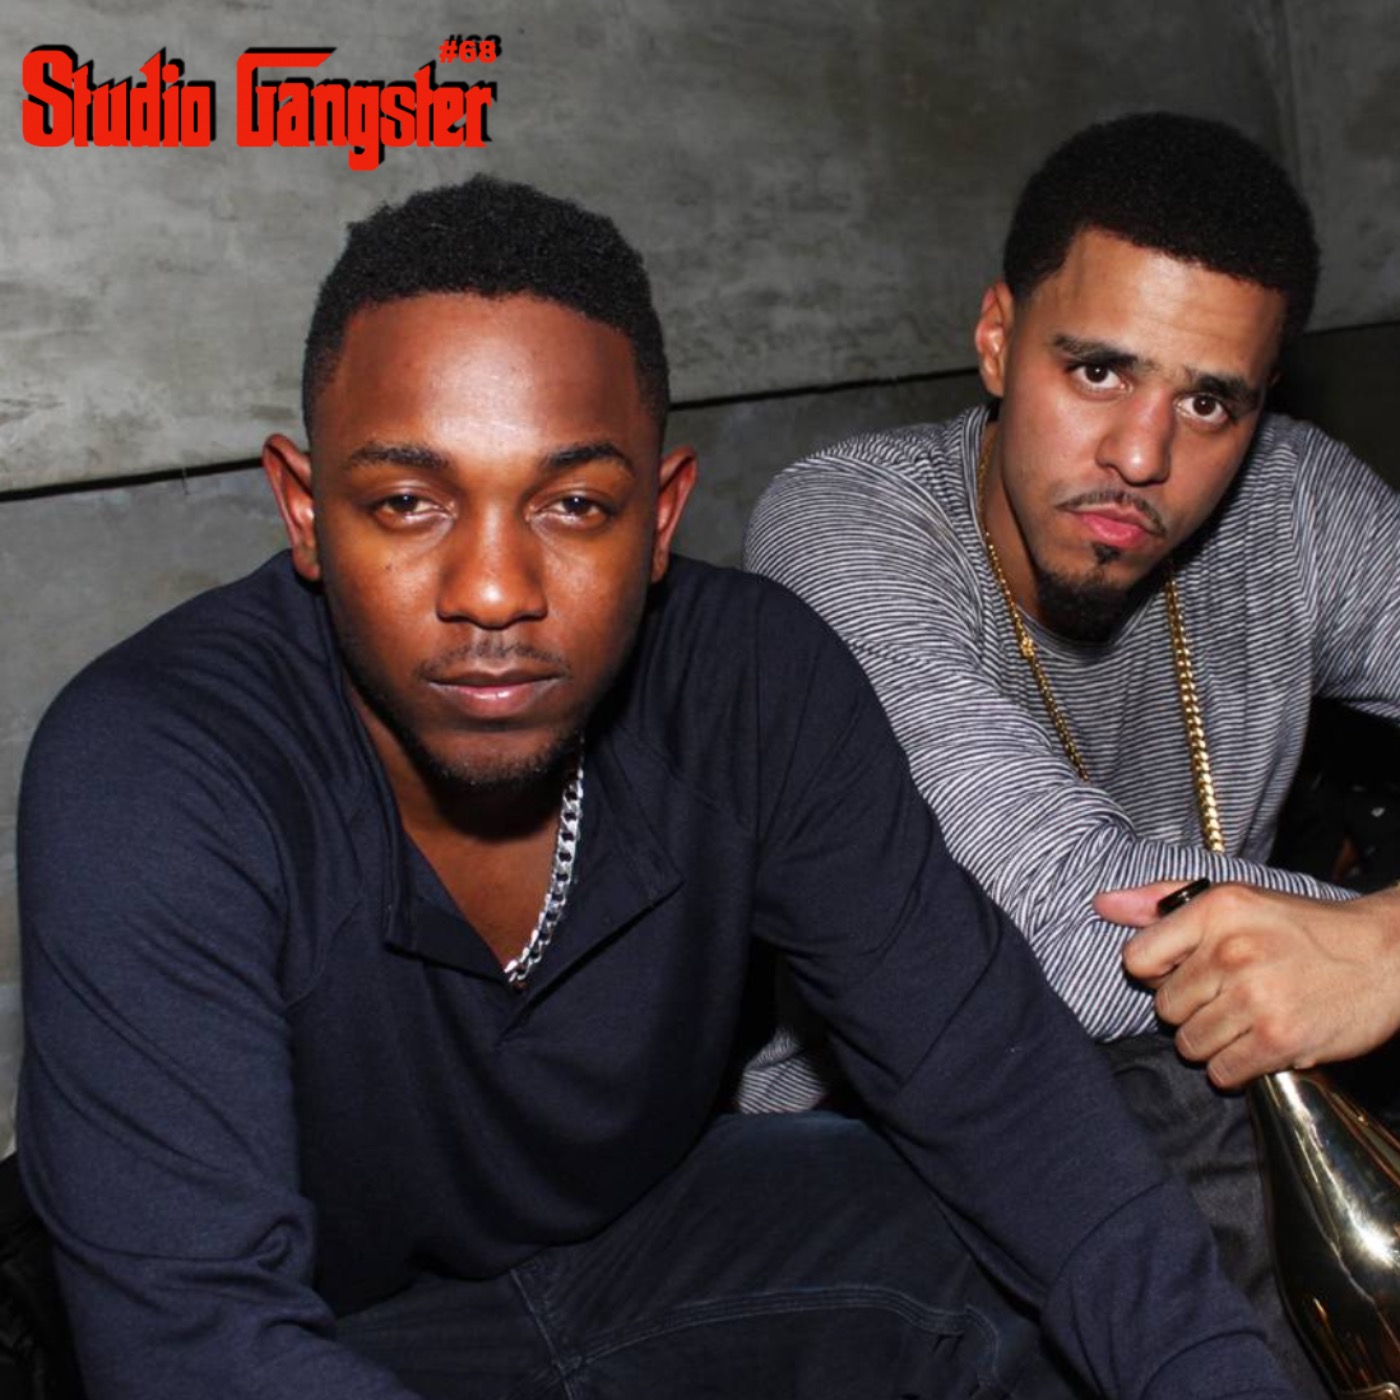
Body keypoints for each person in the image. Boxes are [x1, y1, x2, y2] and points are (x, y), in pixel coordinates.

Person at [17, 174, 1294, 1400]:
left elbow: (991, 1083)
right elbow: (199, 1344)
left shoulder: (752, 682)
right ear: (304, 510)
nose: (493, 591)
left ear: (662, 515)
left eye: (573, 504)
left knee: (1058, 1262)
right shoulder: (154, 765)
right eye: (408, 502)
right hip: (326, 1329)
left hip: (652, 1243)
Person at [741, 112, 1400, 1397]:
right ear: (995, 338)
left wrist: (1378, 949)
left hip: (1230, 1098)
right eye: (1097, 371)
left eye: (1207, 400)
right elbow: (1045, 913)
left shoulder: (1293, 506)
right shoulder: (847, 525)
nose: (1141, 456)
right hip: (877, 1140)